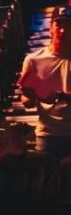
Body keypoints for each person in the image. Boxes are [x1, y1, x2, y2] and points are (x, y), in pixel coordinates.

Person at [18, 8, 71, 159]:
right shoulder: (34, 60)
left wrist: (61, 96)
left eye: (68, 26)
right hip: (47, 134)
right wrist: (33, 96)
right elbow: (26, 101)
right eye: (59, 25)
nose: (62, 31)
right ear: (51, 28)